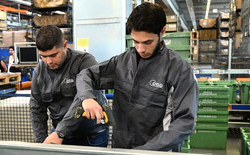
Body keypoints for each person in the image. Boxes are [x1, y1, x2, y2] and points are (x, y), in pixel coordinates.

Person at [74, 2, 198, 152]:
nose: (141, 49)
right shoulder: (122, 62)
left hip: (157, 151)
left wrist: (146, 150)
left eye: (148, 42)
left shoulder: (179, 69)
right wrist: (87, 97)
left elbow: (185, 122)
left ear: (163, 31)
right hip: (121, 148)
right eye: (136, 41)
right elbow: (85, 75)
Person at [29, 25, 109, 146]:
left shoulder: (85, 62)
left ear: (65, 45)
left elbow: (82, 100)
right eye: (43, 56)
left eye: (53, 55)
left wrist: (60, 132)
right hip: (59, 135)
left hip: (90, 135)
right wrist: (41, 144)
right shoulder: (40, 71)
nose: (48, 61)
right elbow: (36, 108)